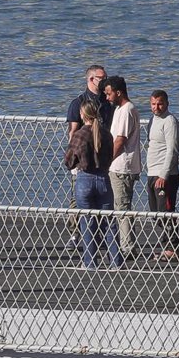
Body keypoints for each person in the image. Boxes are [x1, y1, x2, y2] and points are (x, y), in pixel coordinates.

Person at [64, 100, 121, 270]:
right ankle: (116, 262)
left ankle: (90, 263)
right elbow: (111, 156)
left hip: (85, 179)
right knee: (109, 222)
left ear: (83, 114)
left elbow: (69, 161)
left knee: (87, 222)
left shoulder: (80, 135)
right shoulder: (106, 134)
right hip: (104, 178)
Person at [64, 64, 111, 250]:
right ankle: (76, 233)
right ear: (91, 79)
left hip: (102, 159)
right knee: (78, 198)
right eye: (102, 78)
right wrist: (73, 157)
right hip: (82, 159)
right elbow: (73, 132)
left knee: (102, 199)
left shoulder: (107, 102)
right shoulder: (78, 102)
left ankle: (99, 234)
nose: (105, 81)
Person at [104, 75, 142, 259]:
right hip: (119, 166)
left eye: (109, 93)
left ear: (119, 92)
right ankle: (125, 243)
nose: (107, 97)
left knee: (122, 207)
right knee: (120, 206)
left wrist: (107, 160)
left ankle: (127, 247)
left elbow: (120, 140)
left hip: (122, 166)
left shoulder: (127, 110)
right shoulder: (120, 109)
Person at [146, 90, 179, 262]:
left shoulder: (170, 122)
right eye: (153, 104)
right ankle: (168, 243)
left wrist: (164, 175)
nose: (156, 107)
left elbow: (172, 150)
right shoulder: (153, 120)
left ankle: (172, 246)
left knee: (166, 211)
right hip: (152, 173)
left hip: (165, 175)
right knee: (156, 213)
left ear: (167, 103)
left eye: (159, 103)